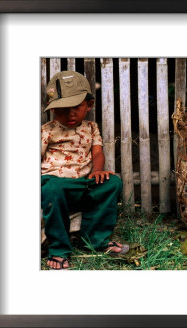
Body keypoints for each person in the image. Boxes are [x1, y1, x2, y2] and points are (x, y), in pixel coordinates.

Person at [41, 70, 128, 270]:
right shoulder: (47, 130)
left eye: (76, 107)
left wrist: (98, 171)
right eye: (63, 109)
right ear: (53, 109)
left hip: (84, 183)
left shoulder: (91, 127)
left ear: (89, 105)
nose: (69, 114)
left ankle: (96, 241)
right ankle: (59, 250)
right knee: (50, 188)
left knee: (112, 183)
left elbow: (97, 152)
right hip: (56, 183)